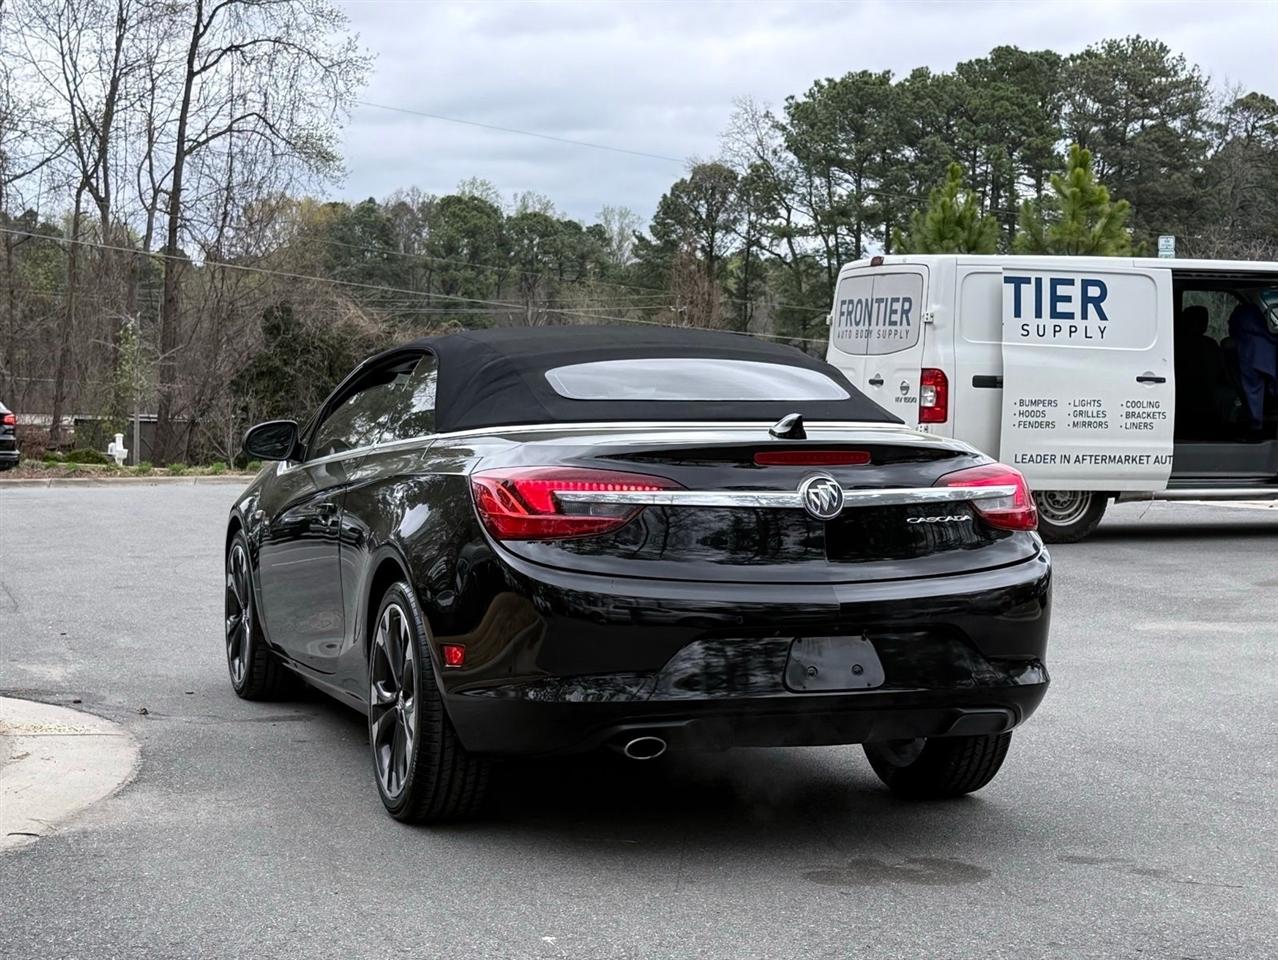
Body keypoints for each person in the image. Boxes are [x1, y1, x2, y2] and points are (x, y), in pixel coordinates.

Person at [1227, 302, 1278, 434]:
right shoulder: (1269, 337)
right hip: (1267, 363)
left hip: (1249, 359)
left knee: (1253, 390)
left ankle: (1256, 427)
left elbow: (1252, 389)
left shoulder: (1244, 339)